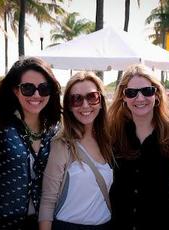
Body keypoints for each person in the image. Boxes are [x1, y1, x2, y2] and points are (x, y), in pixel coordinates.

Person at [0, 57, 62, 230]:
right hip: (0, 223)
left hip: (44, 222)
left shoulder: (55, 128)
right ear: (15, 90)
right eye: (27, 88)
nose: (36, 95)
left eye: (44, 89)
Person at [39, 72, 113, 230]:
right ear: (69, 107)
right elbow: (48, 200)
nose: (85, 105)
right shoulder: (62, 144)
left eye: (92, 97)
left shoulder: (108, 141)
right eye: (76, 99)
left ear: (101, 102)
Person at [108, 64, 169, 230]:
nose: (140, 98)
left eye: (147, 91)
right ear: (123, 97)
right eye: (131, 93)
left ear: (157, 94)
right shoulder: (111, 133)